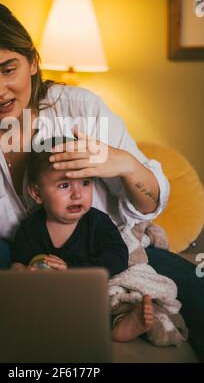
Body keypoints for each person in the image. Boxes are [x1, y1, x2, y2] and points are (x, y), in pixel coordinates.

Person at [0, 0, 202, 358]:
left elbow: (151, 203)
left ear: (31, 62)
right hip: (29, 267)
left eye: (7, 68)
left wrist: (124, 164)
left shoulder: (80, 108)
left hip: (115, 256)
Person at [10, 138, 154, 342]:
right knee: (24, 302)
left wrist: (71, 271)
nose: (77, 194)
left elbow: (117, 258)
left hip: (89, 291)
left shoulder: (97, 223)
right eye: (64, 185)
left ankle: (122, 324)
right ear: (37, 193)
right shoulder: (31, 227)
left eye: (85, 182)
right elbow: (18, 260)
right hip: (50, 296)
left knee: (110, 298)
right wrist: (23, 272)